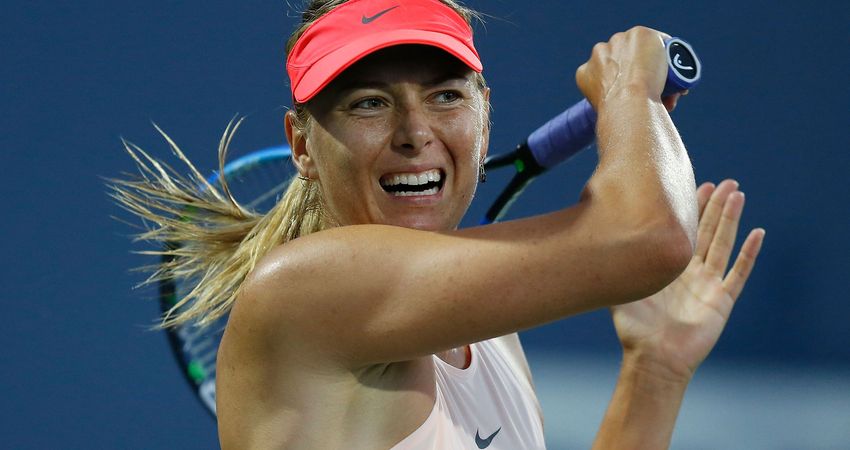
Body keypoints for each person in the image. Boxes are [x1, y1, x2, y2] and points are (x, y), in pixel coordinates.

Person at [113, 0, 765, 448]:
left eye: (445, 95)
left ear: (484, 117)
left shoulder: (492, 334)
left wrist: (654, 371)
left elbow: (646, 240)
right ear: (302, 145)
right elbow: (649, 237)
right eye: (370, 103)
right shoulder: (306, 288)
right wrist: (628, 91)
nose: (415, 132)